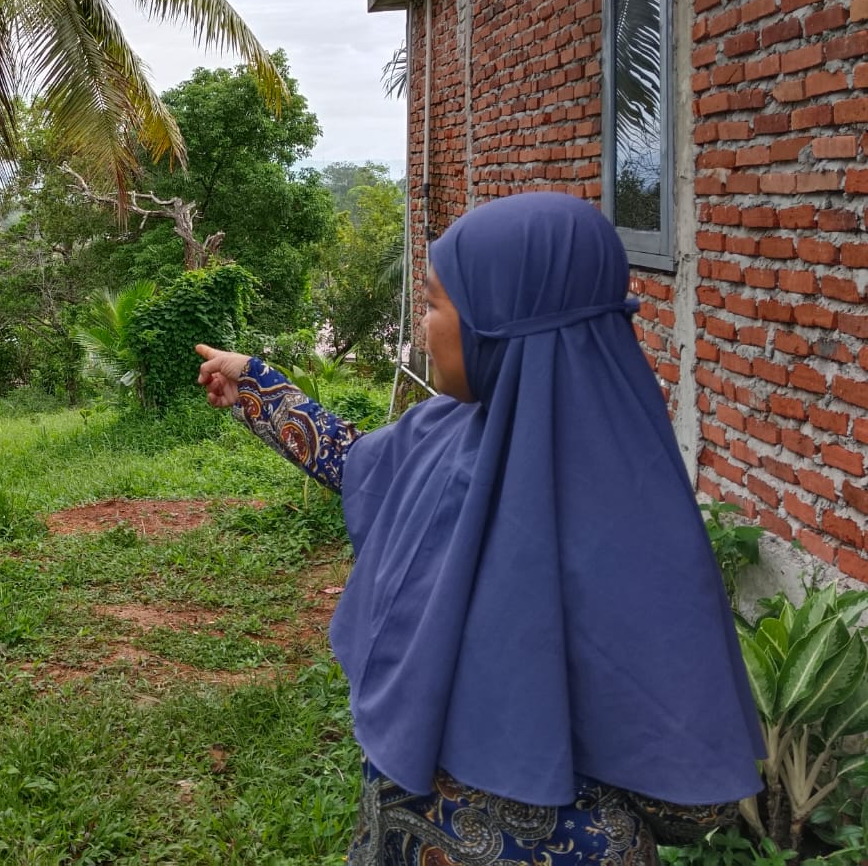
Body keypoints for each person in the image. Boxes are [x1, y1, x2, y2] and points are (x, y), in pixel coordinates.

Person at [196, 192, 762, 866]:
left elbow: (689, 796)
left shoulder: (628, 518)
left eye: (434, 303)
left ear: (500, 323)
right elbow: (359, 465)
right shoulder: (444, 431)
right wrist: (256, 385)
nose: (422, 324)